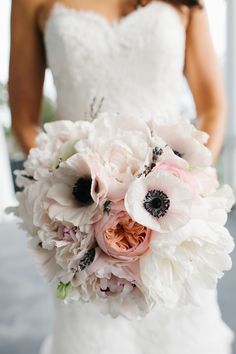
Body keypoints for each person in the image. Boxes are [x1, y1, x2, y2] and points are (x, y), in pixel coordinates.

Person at [9, 1, 233, 353]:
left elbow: (212, 107)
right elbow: (25, 120)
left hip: (170, 206)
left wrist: (186, 179)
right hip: (81, 209)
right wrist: (69, 188)